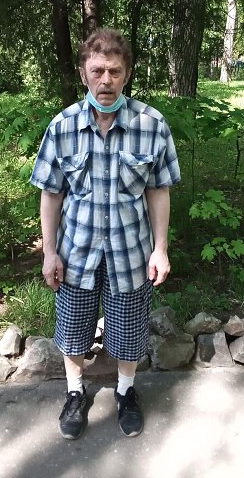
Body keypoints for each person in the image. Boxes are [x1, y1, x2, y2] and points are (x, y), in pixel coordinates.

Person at [30, 28, 180, 440]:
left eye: (114, 71)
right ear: (84, 74)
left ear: (127, 74)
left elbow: (159, 191)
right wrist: (49, 252)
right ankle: (75, 392)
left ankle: (126, 392)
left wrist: (160, 249)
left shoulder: (152, 125)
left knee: (129, 333)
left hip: (131, 252)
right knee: (73, 329)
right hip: (76, 253)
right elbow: (51, 195)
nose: (106, 80)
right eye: (97, 71)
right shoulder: (62, 127)